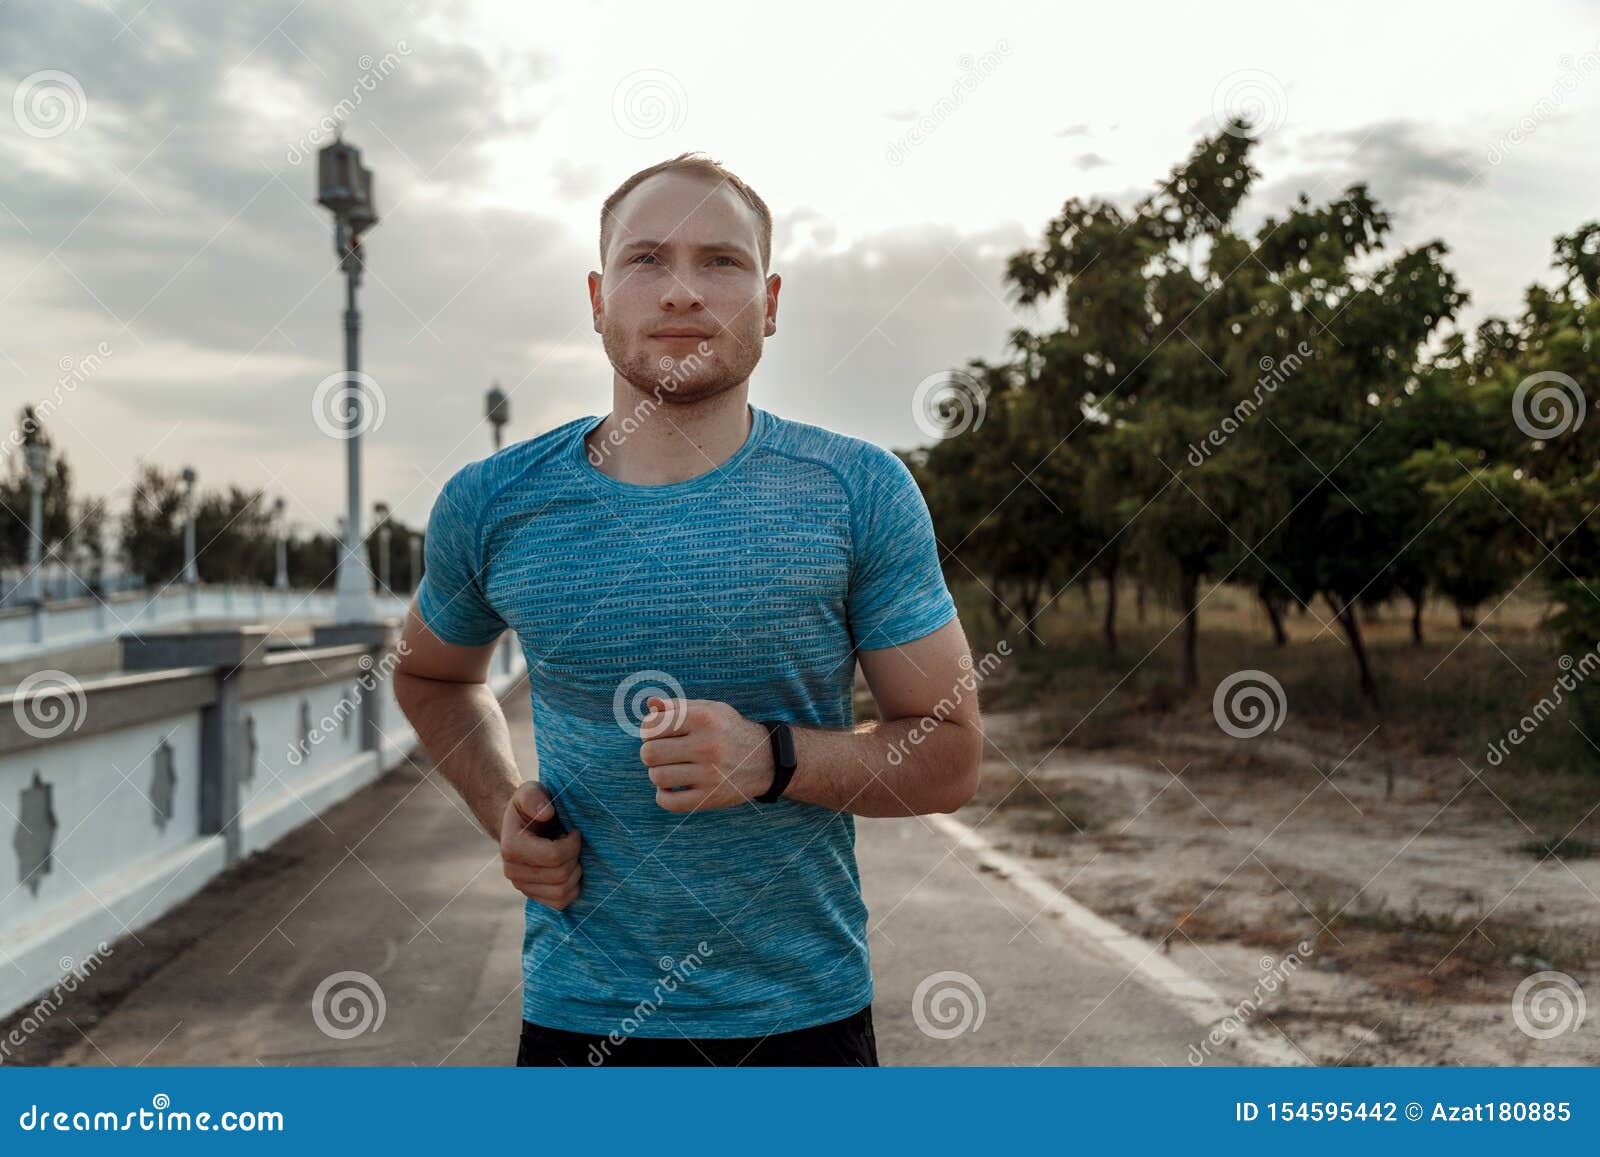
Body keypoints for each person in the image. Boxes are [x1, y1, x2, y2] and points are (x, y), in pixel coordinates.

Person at [394, 152, 983, 1067]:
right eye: (646, 260)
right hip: (580, 1023)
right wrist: (503, 806)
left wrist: (774, 758)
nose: (681, 292)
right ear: (597, 298)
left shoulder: (858, 490)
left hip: (805, 1025)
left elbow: (949, 756)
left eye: (721, 261)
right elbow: (433, 674)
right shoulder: (493, 503)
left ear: (772, 301)